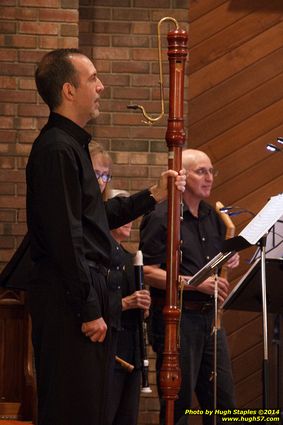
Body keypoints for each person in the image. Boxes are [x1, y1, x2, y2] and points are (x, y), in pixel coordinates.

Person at [26, 48, 186, 425]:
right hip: (71, 306)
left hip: (86, 298)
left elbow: (93, 220)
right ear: (68, 90)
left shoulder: (73, 146)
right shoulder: (56, 150)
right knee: (74, 411)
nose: (102, 86)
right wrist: (89, 309)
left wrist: (152, 195)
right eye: (93, 78)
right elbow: (67, 239)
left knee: (94, 410)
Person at [139, 149, 240, 425]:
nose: (209, 178)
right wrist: (195, 284)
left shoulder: (211, 215)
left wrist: (230, 258)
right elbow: (147, 271)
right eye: (201, 172)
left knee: (223, 406)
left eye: (211, 171)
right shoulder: (162, 215)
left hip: (210, 320)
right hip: (177, 321)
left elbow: (214, 263)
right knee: (178, 406)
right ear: (183, 176)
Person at [89, 145, 150, 425]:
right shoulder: (100, 253)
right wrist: (126, 303)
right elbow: (94, 302)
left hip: (131, 351)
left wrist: (143, 306)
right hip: (107, 352)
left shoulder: (129, 258)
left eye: (105, 175)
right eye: (96, 174)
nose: (129, 221)